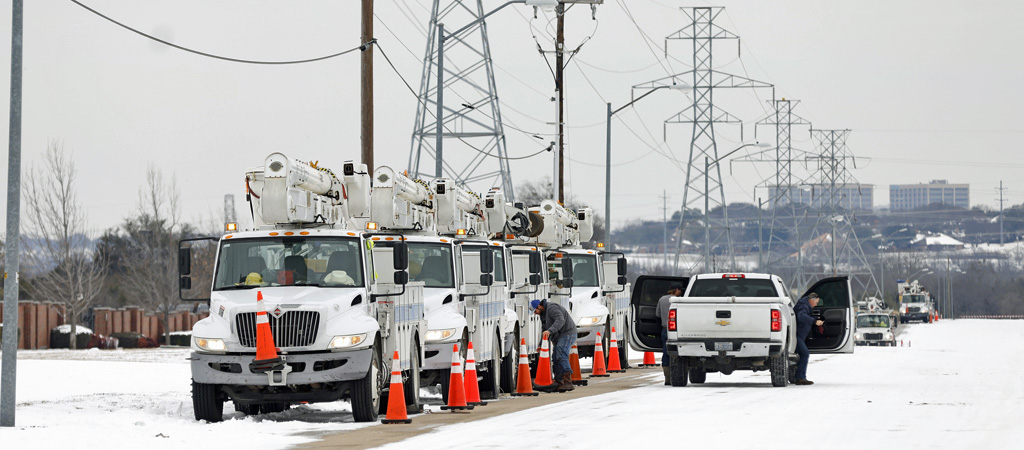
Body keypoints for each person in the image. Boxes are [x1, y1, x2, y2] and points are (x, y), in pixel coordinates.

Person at [531, 299, 576, 392]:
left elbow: (560, 320)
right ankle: (559, 381)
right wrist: (541, 344)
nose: (535, 313)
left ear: (539, 306)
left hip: (567, 333)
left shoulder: (552, 308)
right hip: (559, 336)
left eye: (535, 311)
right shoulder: (543, 315)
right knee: (555, 357)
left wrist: (550, 331)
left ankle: (567, 381)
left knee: (561, 353)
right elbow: (545, 330)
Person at [655, 282, 685, 385]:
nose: (681, 292)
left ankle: (667, 378)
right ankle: (677, 374)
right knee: (679, 353)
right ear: (677, 290)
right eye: (680, 290)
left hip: (665, 330)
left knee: (666, 352)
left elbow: (657, 314)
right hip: (678, 331)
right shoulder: (679, 301)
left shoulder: (662, 299)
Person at [794, 292, 825, 385]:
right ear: (811, 300)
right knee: (805, 354)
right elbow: (801, 316)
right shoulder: (803, 306)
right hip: (797, 335)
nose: (816, 305)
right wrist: (815, 321)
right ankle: (800, 378)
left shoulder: (805, 306)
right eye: (816, 302)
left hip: (800, 335)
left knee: (802, 355)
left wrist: (816, 318)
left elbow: (805, 316)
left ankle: (798, 376)